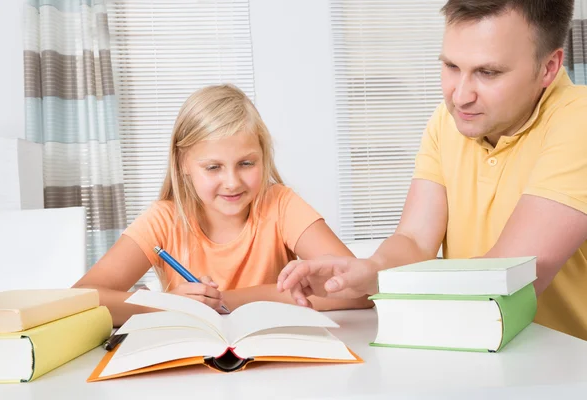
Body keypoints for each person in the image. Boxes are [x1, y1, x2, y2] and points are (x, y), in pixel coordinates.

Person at [278, 0, 587, 340]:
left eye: (488, 73)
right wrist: (369, 271)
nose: (460, 96)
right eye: (452, 66)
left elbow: (504, 276)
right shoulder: (448, 121)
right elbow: (413, 239)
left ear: (549, 67)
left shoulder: (578, 120)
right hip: (477, 351)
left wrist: (387, 280)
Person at [74, 84, 371, 326]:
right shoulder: (164, 219)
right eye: (213, 167)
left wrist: (224, 300)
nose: (232, 182)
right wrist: (165, 305)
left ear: (264, 156)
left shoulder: (280, 204)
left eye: (246, 163)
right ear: (183, 165)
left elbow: (360, 291)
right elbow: (81, 299)